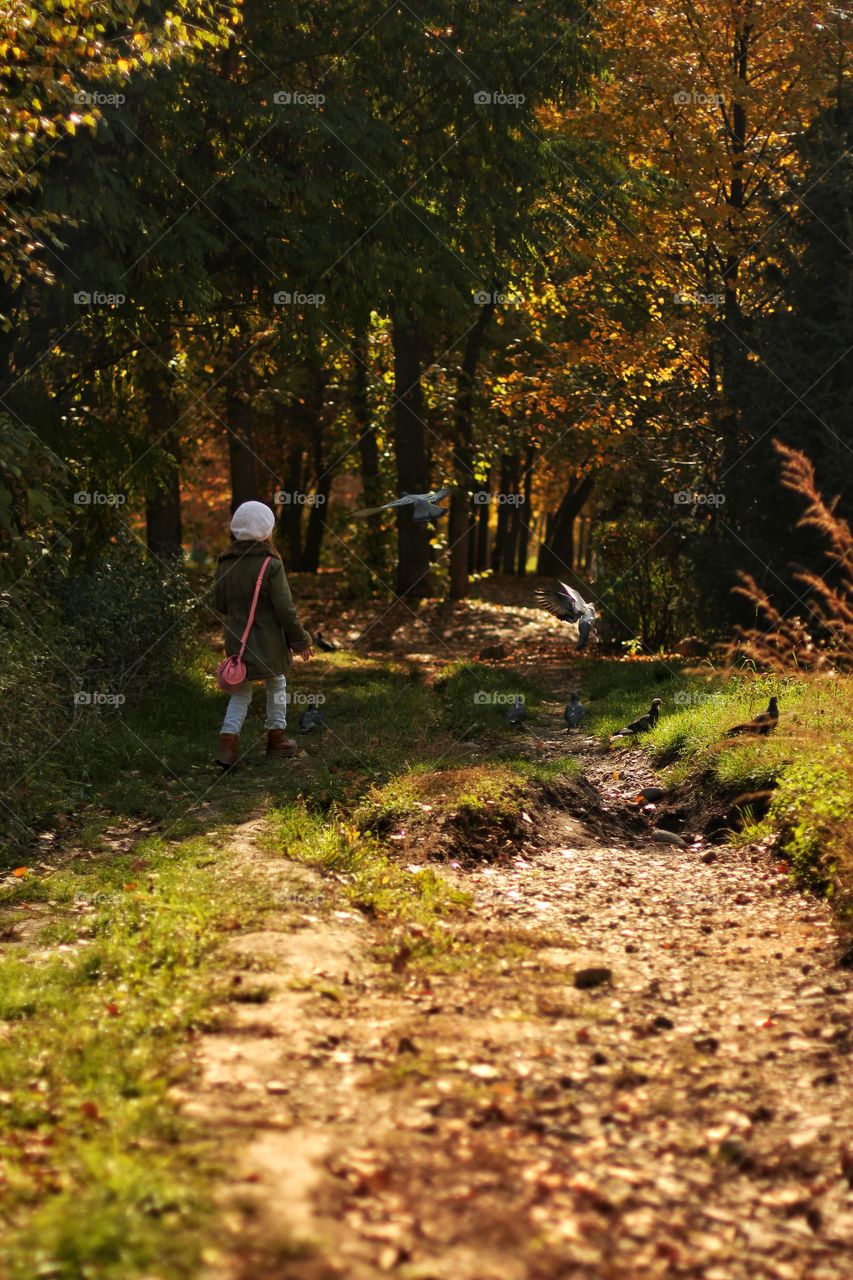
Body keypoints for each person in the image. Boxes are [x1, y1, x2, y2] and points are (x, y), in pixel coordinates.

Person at [213, 501, 312, 768]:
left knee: (240, 691)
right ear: (266, 530)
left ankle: (227, 743)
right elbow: (284, 607)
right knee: (276, 683)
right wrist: (299, 639)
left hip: (238, 642)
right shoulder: (271, 564)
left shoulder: (225, 563)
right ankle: (276, 739)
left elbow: (219, 604)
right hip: (268, 642)